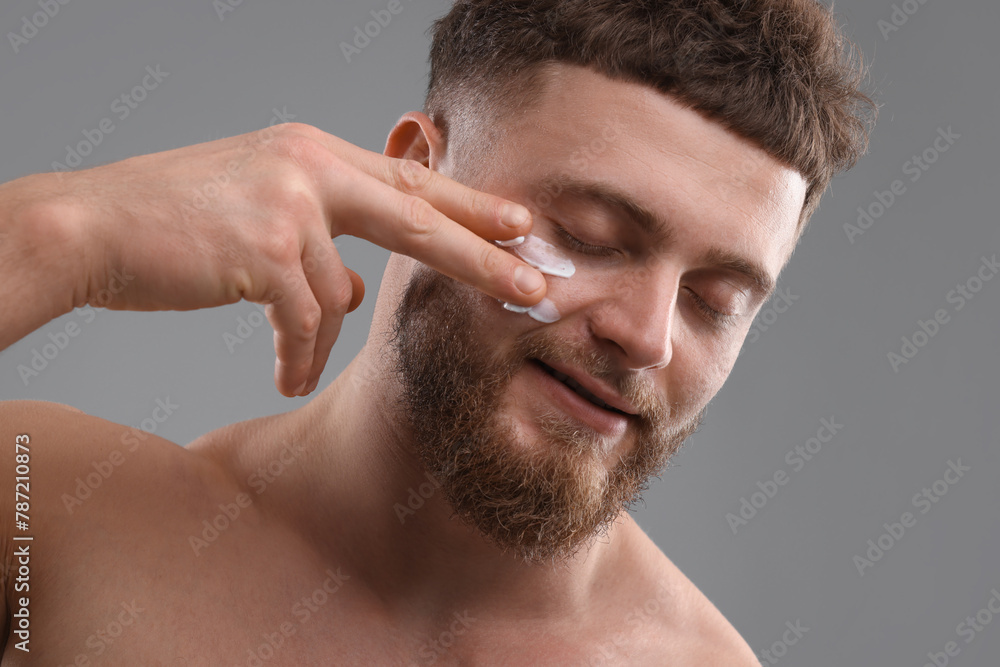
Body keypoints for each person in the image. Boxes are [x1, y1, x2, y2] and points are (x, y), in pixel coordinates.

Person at [0, 0, 875, 663]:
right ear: (415, 174)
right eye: (589, 237)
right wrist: (60, 235)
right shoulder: (47, 518)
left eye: (714, 301)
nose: (647, 335)